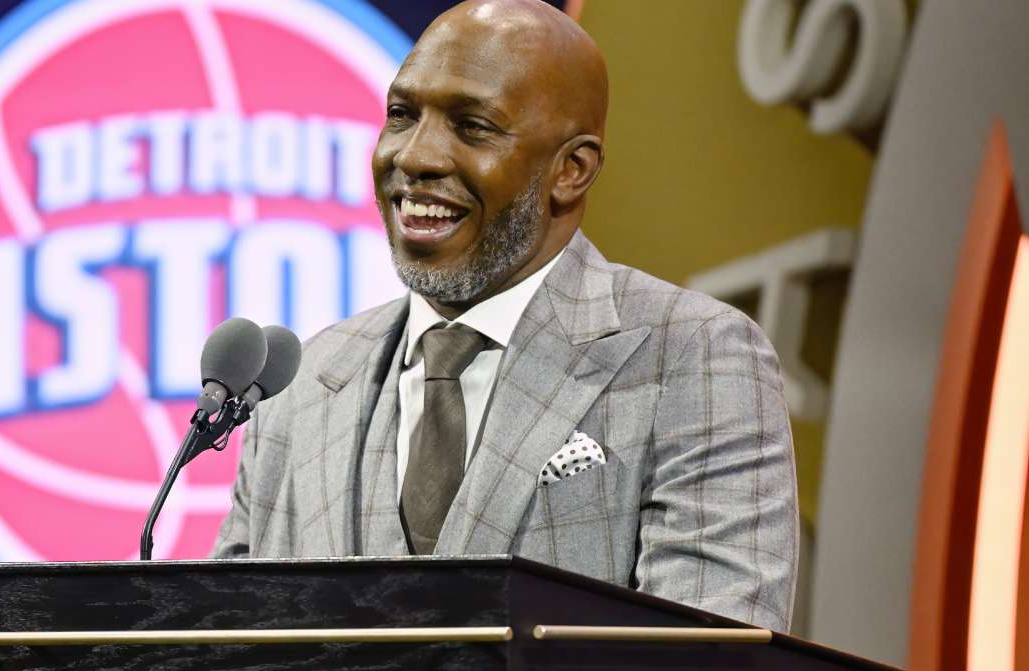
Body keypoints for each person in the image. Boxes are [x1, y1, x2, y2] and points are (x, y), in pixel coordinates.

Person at [213, 0, 798, 632]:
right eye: (402, 115)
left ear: (571, 170)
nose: (416, 156)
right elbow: (223, 645)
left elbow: (706, 656)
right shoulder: (299, 384)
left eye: (473, 126)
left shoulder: (695, 356)